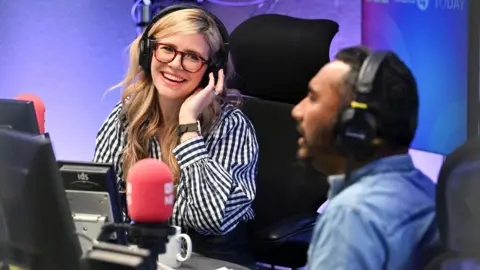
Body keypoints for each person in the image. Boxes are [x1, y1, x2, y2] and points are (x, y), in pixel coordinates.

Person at [93, 5, 259, 268]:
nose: (175, 64)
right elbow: (103, 201)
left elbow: (209, 220)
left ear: (211, 69)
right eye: (167, 49)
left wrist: (188, 125)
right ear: (149, 51)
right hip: (143, 256)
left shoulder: (231, 127)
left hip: (209, 260)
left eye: (192, 57)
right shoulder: (127, 115)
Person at [291, 46, 438, 269]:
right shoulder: (427, 192)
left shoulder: (353, 215)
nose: (297, 111)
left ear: (355, 126)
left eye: (312, 98)